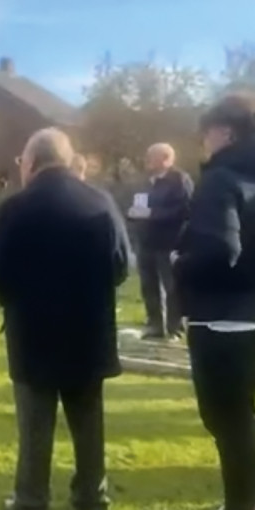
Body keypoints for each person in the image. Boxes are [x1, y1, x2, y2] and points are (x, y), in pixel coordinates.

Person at [0, 128, 131, 510]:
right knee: (88, 426)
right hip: (88, 333)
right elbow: (122, 265)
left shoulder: (15, 208)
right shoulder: (100, 202)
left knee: (35, 428)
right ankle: (91, 495)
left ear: (31, 162)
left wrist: (16, 299)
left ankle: (31, 497)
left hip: (33, 335)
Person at [174, 93, 255, 510]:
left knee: (230, 425)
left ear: (224, 131)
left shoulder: (220, 179)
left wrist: (179, 263)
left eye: (204, 134)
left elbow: (219, 251)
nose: (202, 143)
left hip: (222, 322)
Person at [128, 143, 193, 340]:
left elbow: (185, 210)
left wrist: (152, 214)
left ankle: (175, 328)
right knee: (148, 285)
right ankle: (154, 325)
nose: (147, 159)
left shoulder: (180, 180)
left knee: (171, 286)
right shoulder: (146, 182)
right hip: (146, 241)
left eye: (152, 156)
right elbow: (137, 204)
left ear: (165, 158)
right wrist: (132, 213)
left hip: (169, 242)